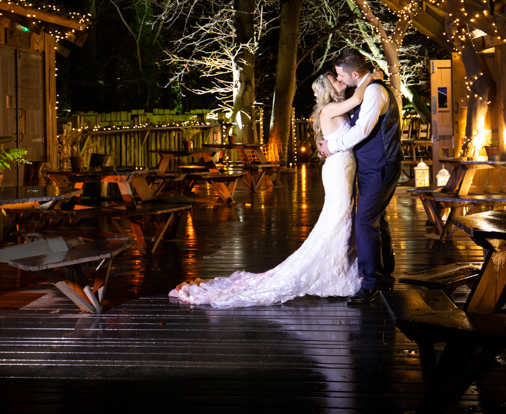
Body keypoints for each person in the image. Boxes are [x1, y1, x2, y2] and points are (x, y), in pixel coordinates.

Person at [168, 70, 378, 308]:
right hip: (338, 171)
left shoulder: (338, 107)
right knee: (338, 219)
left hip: (345, 169)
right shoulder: (330, 109)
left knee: (343, 220)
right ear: (328, 89)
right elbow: (358, 99)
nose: (341, 81)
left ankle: (339, 270)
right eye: (336, 80)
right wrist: (369, 78)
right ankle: (332, 274)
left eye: (340, 78)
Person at [318, 48, 400, 305]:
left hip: (381, 166)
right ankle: (384, 277)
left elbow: (363, 129)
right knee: (377, 220)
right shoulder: (363, 91)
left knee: (364, 222)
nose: (340, 79)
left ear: (355, 73)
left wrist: (333, 146)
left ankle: (371, 283)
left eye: (341, 75)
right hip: (370, 167)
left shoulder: (374, 91)